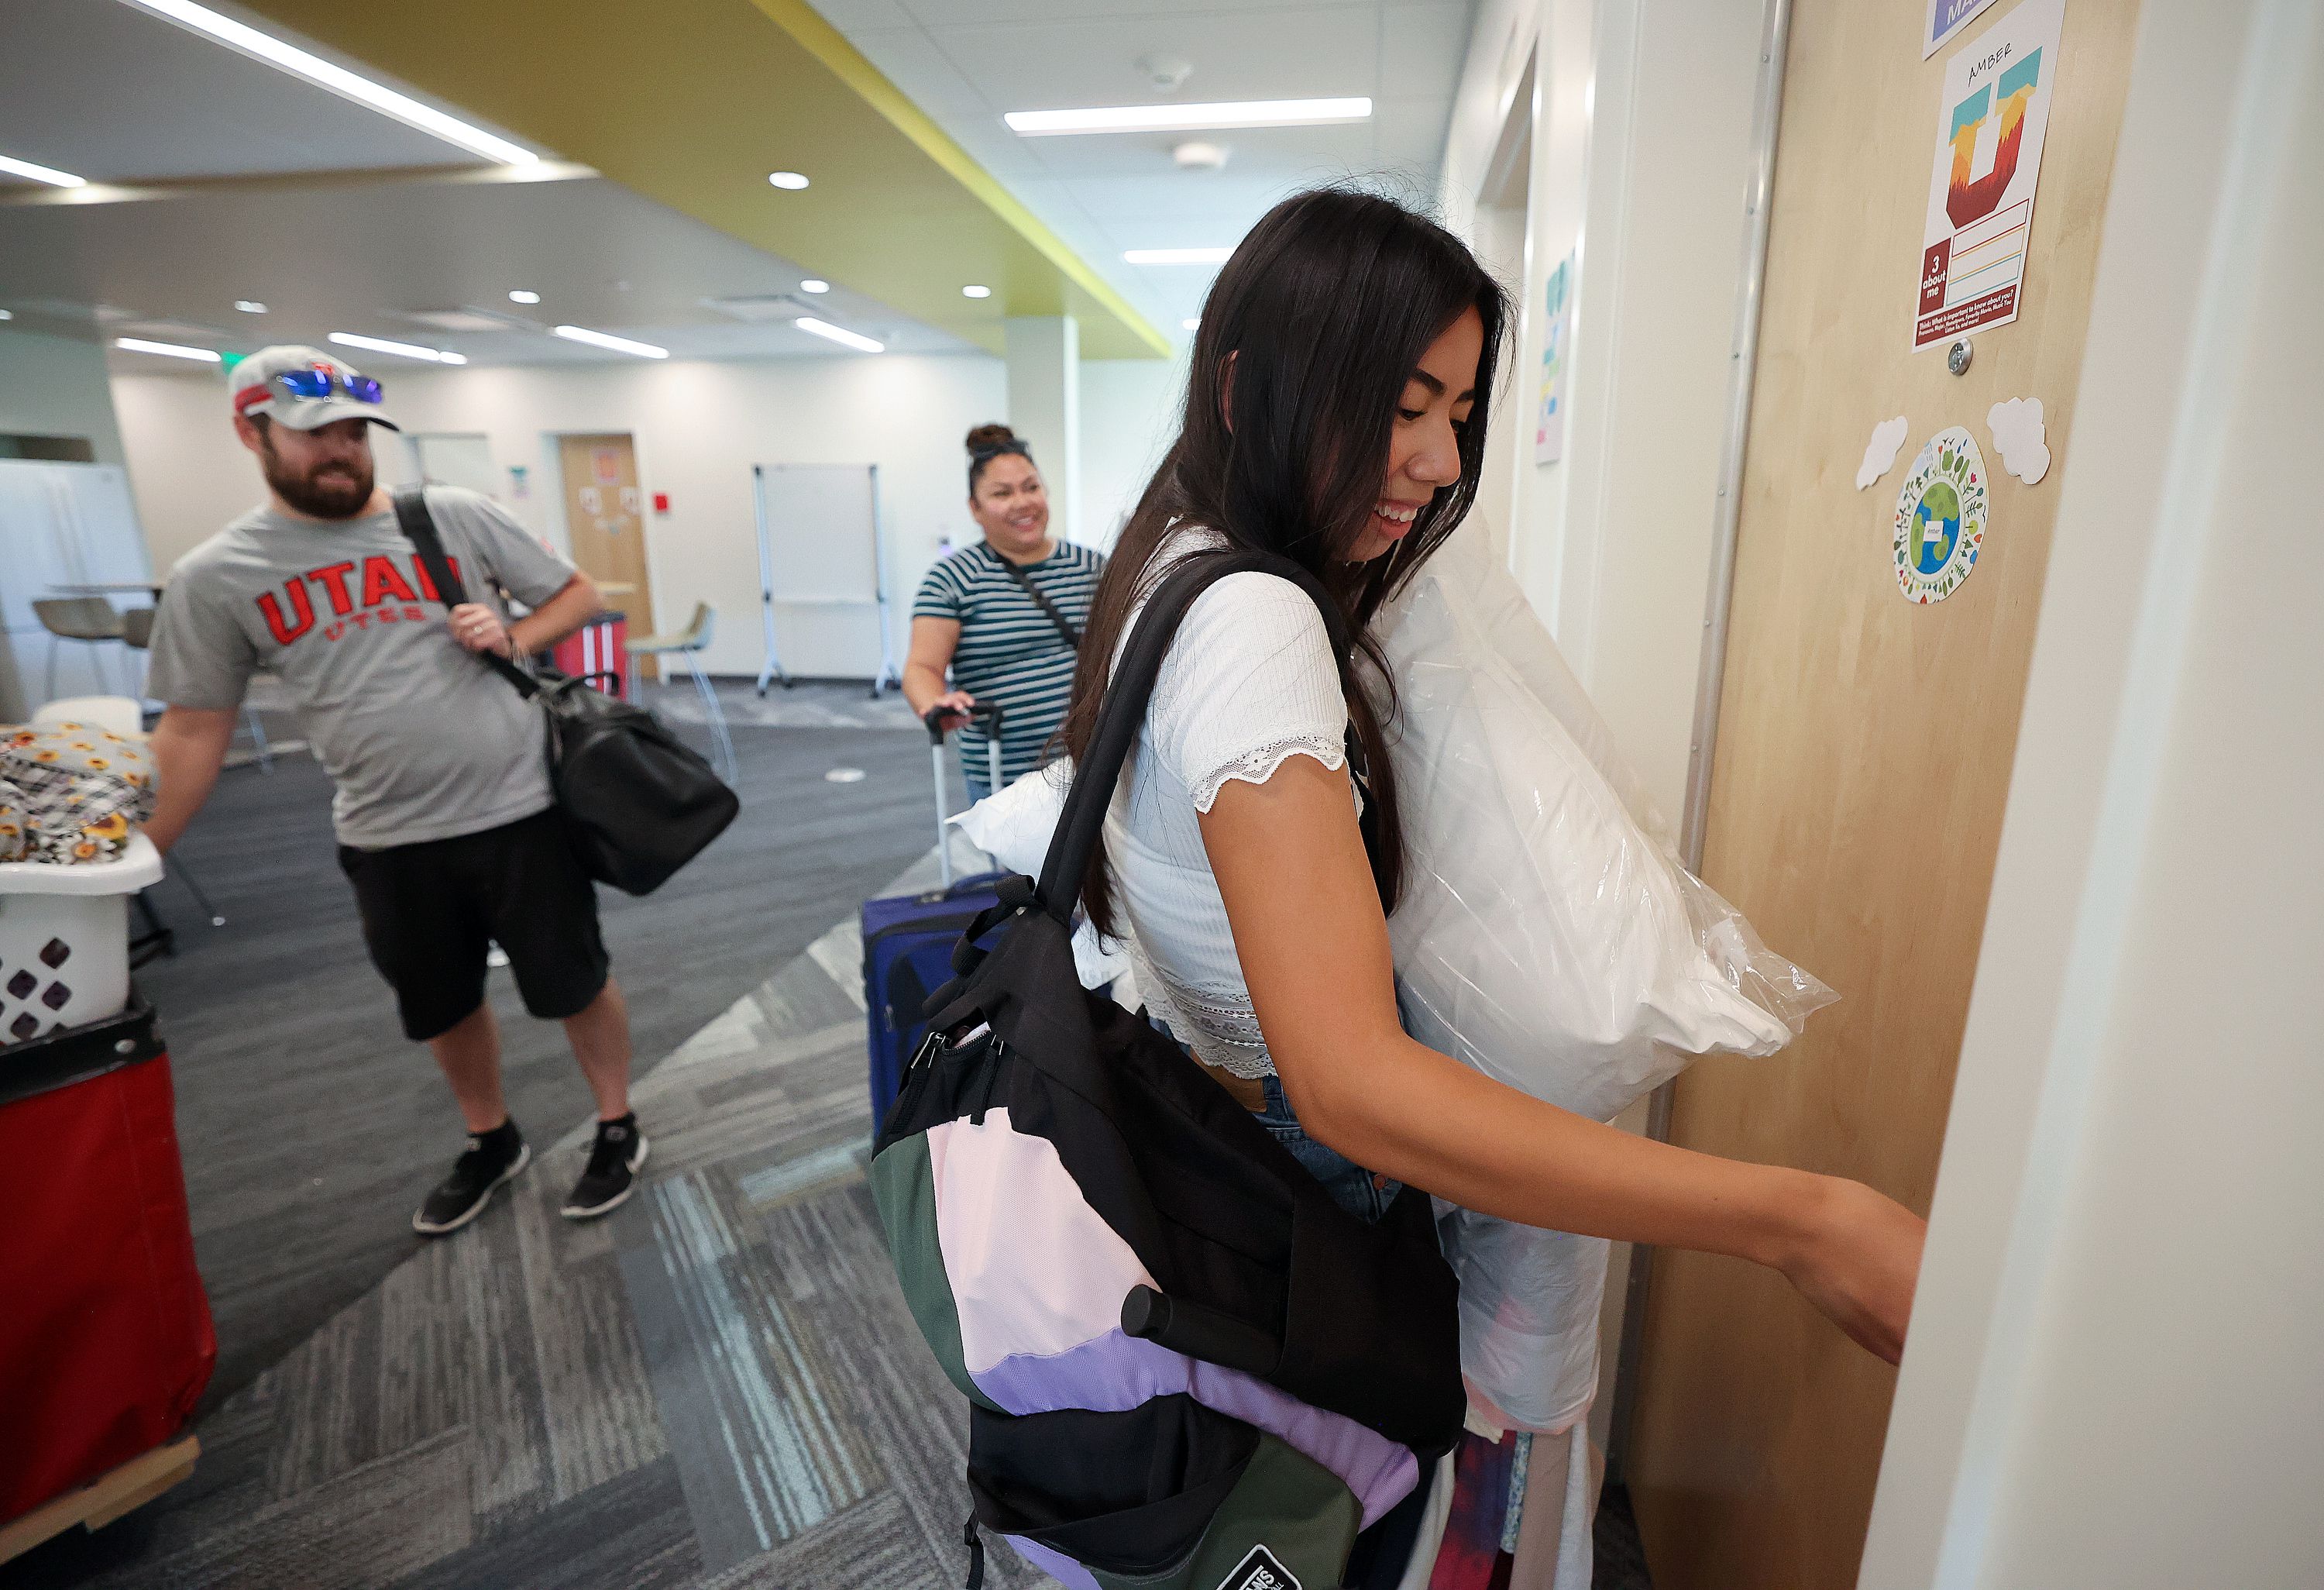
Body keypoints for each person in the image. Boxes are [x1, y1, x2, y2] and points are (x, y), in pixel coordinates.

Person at [1057, 191, 1924, 1371]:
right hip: (1290, 1173)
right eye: (1402, 407)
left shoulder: (1171, 551)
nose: (1441, 460)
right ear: (1240, 389)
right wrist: (1803, 1222)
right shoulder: (1257, 625)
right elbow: (1350, 1085)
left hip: (1197, 1116)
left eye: (1459, 413)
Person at [141, 345, 648, 1237]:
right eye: (314, 435)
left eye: (352, 432)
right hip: (385, 836)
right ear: (248, 432)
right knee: (441, 1005)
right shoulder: (217, 576)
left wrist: (514, 633)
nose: (340, 450)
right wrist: (139, 855)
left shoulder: (447, 515)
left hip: (519, 812)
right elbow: (192, 727)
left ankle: (616, 1123)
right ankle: (490, 1140)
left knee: (575, 980)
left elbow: (576, 596)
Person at [903, 425, 1103, 803]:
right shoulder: (952, 578)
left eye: (1031, 487)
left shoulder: (1091, 567)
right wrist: (935, 703)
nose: (1023, 502)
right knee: (1020, 865)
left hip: (1093, 764)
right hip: (1006, 775)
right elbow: (922, 668)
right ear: (975, 509)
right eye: (1002, 493)